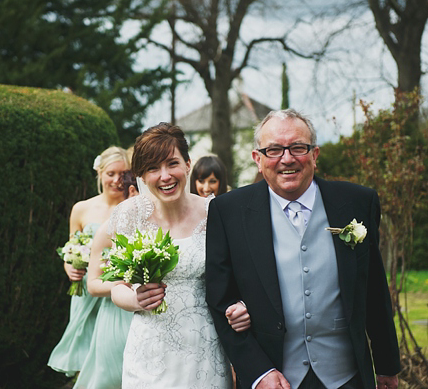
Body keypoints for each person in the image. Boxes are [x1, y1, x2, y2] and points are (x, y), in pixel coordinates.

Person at [205, 109, 400, 389]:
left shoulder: (357, 202)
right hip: (275, 377)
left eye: (297, 147)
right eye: (273, 150)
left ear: (314, 155)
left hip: (346, 376)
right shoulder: (228, 211)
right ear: (258, 159)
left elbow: (374, 290)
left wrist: (386, 366)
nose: (287, 159)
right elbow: (219, 300)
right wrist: (259, 372)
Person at [97, 122, 248, 388]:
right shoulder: (128, 215)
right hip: (149, 353)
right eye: (153, 168)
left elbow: (242, 279)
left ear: (188, 164)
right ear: (142, 176)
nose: (165, 176)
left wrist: (243, 307)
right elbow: (115, 286)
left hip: (205, 350)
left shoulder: (218, 213)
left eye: (172, 163)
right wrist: (135, 298)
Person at [47, 146, 129, 377]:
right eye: (111, 173)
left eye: (123, 174)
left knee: (114, 358)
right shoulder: (81, 209)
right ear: (99, 173)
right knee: (85, 357)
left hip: (117, 291)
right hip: (85, 292)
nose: (116, 180)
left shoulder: (134, 206)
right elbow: (71, 248)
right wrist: (69, 267)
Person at [72, 170, 139, 389]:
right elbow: (93, 284)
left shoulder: (161, 225)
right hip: (114, 316)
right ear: (133, 191)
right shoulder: (108, 229)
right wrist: (125, 283)